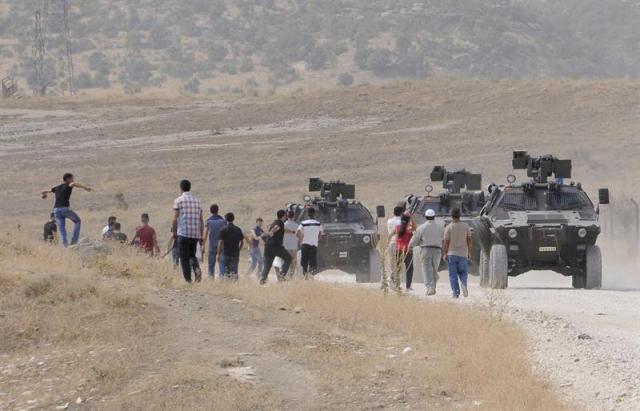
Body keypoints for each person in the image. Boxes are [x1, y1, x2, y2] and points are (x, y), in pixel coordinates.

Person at [41, 173, 92, 247]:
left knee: (62, 228)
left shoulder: (57, 187)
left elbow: (44, 191)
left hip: (56, 210)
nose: (73, 180)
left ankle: (65, 245)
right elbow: (73, 184)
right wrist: (85, 188)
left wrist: (44, 195)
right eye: (72, 178)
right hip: (64, 209)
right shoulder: (68, 184)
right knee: (77, 221)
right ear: (68, 179)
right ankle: (74, 242)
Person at [172, 179, 204, 283]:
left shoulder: (178, 200)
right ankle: (196, 269)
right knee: (192, 255)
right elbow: (201, 220)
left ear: (181, 188)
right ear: (190, 188)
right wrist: (201, 236)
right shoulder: (198, 201)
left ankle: (188, 280)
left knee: (184, 258)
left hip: (183, 233)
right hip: (195, 234)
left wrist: (174, 233)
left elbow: (175, 218)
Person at [409, 209, 444, 296]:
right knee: (434, 269)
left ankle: (430, 287)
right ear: (434, 217)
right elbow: (444, 238)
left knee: (426, 269)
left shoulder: (421, 227)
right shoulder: (440, 227)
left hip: (426, 250)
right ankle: (433, 287)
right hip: (437, 251)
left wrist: (410, 246)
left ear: (425, 217)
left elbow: (415, 239)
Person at [442, 208, 472, 298]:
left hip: (451, 254)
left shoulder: (449, 227)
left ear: (451, 216)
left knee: (453, 274)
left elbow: (446, 242)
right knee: (463, 272)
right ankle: (463, 284)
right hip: (463, 254)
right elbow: (469, 240)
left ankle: (456, 292)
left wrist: (445, 253)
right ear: (460, 215)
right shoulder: (466, 226)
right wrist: (469, 252)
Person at [260, 209, 292, 285]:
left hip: (268, 247)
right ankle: (281, 276)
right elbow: (276, 228)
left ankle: (262, 280)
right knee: (288, 258)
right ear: (284, 215)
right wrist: (271, 233)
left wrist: (292, 232)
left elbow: (281, 229)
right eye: (286, 215)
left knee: (267, 266)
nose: (287, 216)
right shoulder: (280, 222)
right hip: (276, 247)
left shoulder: (274, 222)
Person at [296, 207, 324, 278]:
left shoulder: (303, 223)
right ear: (314, 214)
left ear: (308, 214)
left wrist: (301, 240)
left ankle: (305, 275)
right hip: (313, 245)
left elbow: (297, 233)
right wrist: (317, 240)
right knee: (312, 262)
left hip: (305, 245)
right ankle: (311, 274)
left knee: (304, 262)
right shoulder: (318, 224)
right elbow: (322, 234)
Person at [202, 204, 227, 279]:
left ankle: (210, 279)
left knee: (211, 264)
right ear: (218, 210)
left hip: (212, 245)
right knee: (222, 263)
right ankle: (222, 279)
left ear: (210, 211)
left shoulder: (209, 221)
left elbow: (205, 234)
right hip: (222, 245)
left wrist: (203, 245)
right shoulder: (223, 221)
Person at [218, 213, 244, 281]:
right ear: (233, 219)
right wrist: (239, 249)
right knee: (234, 273)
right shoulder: (238, 229)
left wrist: (218, 254)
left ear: (226, 219)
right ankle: (234, 286)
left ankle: (227, 286)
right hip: (235, 254)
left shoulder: (223, 229)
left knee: (226, 273)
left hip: (225, 253)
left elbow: (220, 243)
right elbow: (242, 242)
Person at [394, 214, 415, 291]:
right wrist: (411, 217)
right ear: (408, 221)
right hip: (407, 250)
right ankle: (408, 286)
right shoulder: (408, 229)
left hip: (398, 249)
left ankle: (396, 285)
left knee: (398, 268)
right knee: (409, 268)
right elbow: (415, 227)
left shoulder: (397, 228)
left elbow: (395, 237)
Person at [283, 210, 300, 278]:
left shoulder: (284, 225)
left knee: (286, 261)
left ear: (287, 216)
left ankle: (284, 274)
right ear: (294, 216)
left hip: (286, 246)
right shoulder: (297, 225)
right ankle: (291, 275)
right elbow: (299, 235)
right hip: (294, 246)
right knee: (293, 262)